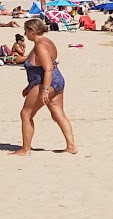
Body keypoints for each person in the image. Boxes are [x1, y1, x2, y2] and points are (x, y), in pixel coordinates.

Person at [9, 19, 76, 155]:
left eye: (26, 31)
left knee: (26, 114)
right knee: (58, 113)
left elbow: (48, 69)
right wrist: (29, 87)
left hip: (46, 82)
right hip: (56, 81)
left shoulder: (40, 45)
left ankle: (25, 149)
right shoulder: (47, 42)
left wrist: (45, 90)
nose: (25, 34)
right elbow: (41, 63)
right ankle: (71, 146)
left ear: (32, 31)